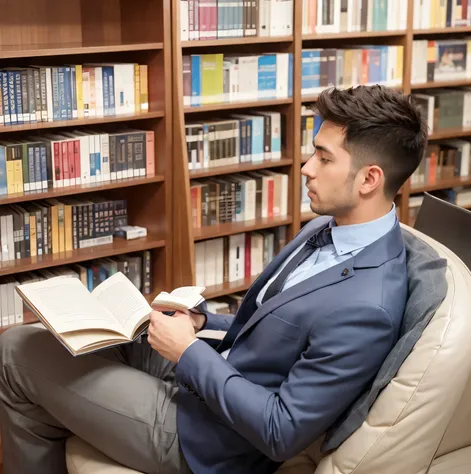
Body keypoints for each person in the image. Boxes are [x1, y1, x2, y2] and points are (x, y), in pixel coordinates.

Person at [0, 84, 428, 474]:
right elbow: (269, 327)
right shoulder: (328, 227)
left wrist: (187, 351)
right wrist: (205, 325)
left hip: (208, 440)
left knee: (14, 351)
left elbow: (281, 430)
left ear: (370, 179)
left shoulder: (369, 305)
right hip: (209, 377)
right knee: (70, 339)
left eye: (324, 157)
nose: (305, 167)